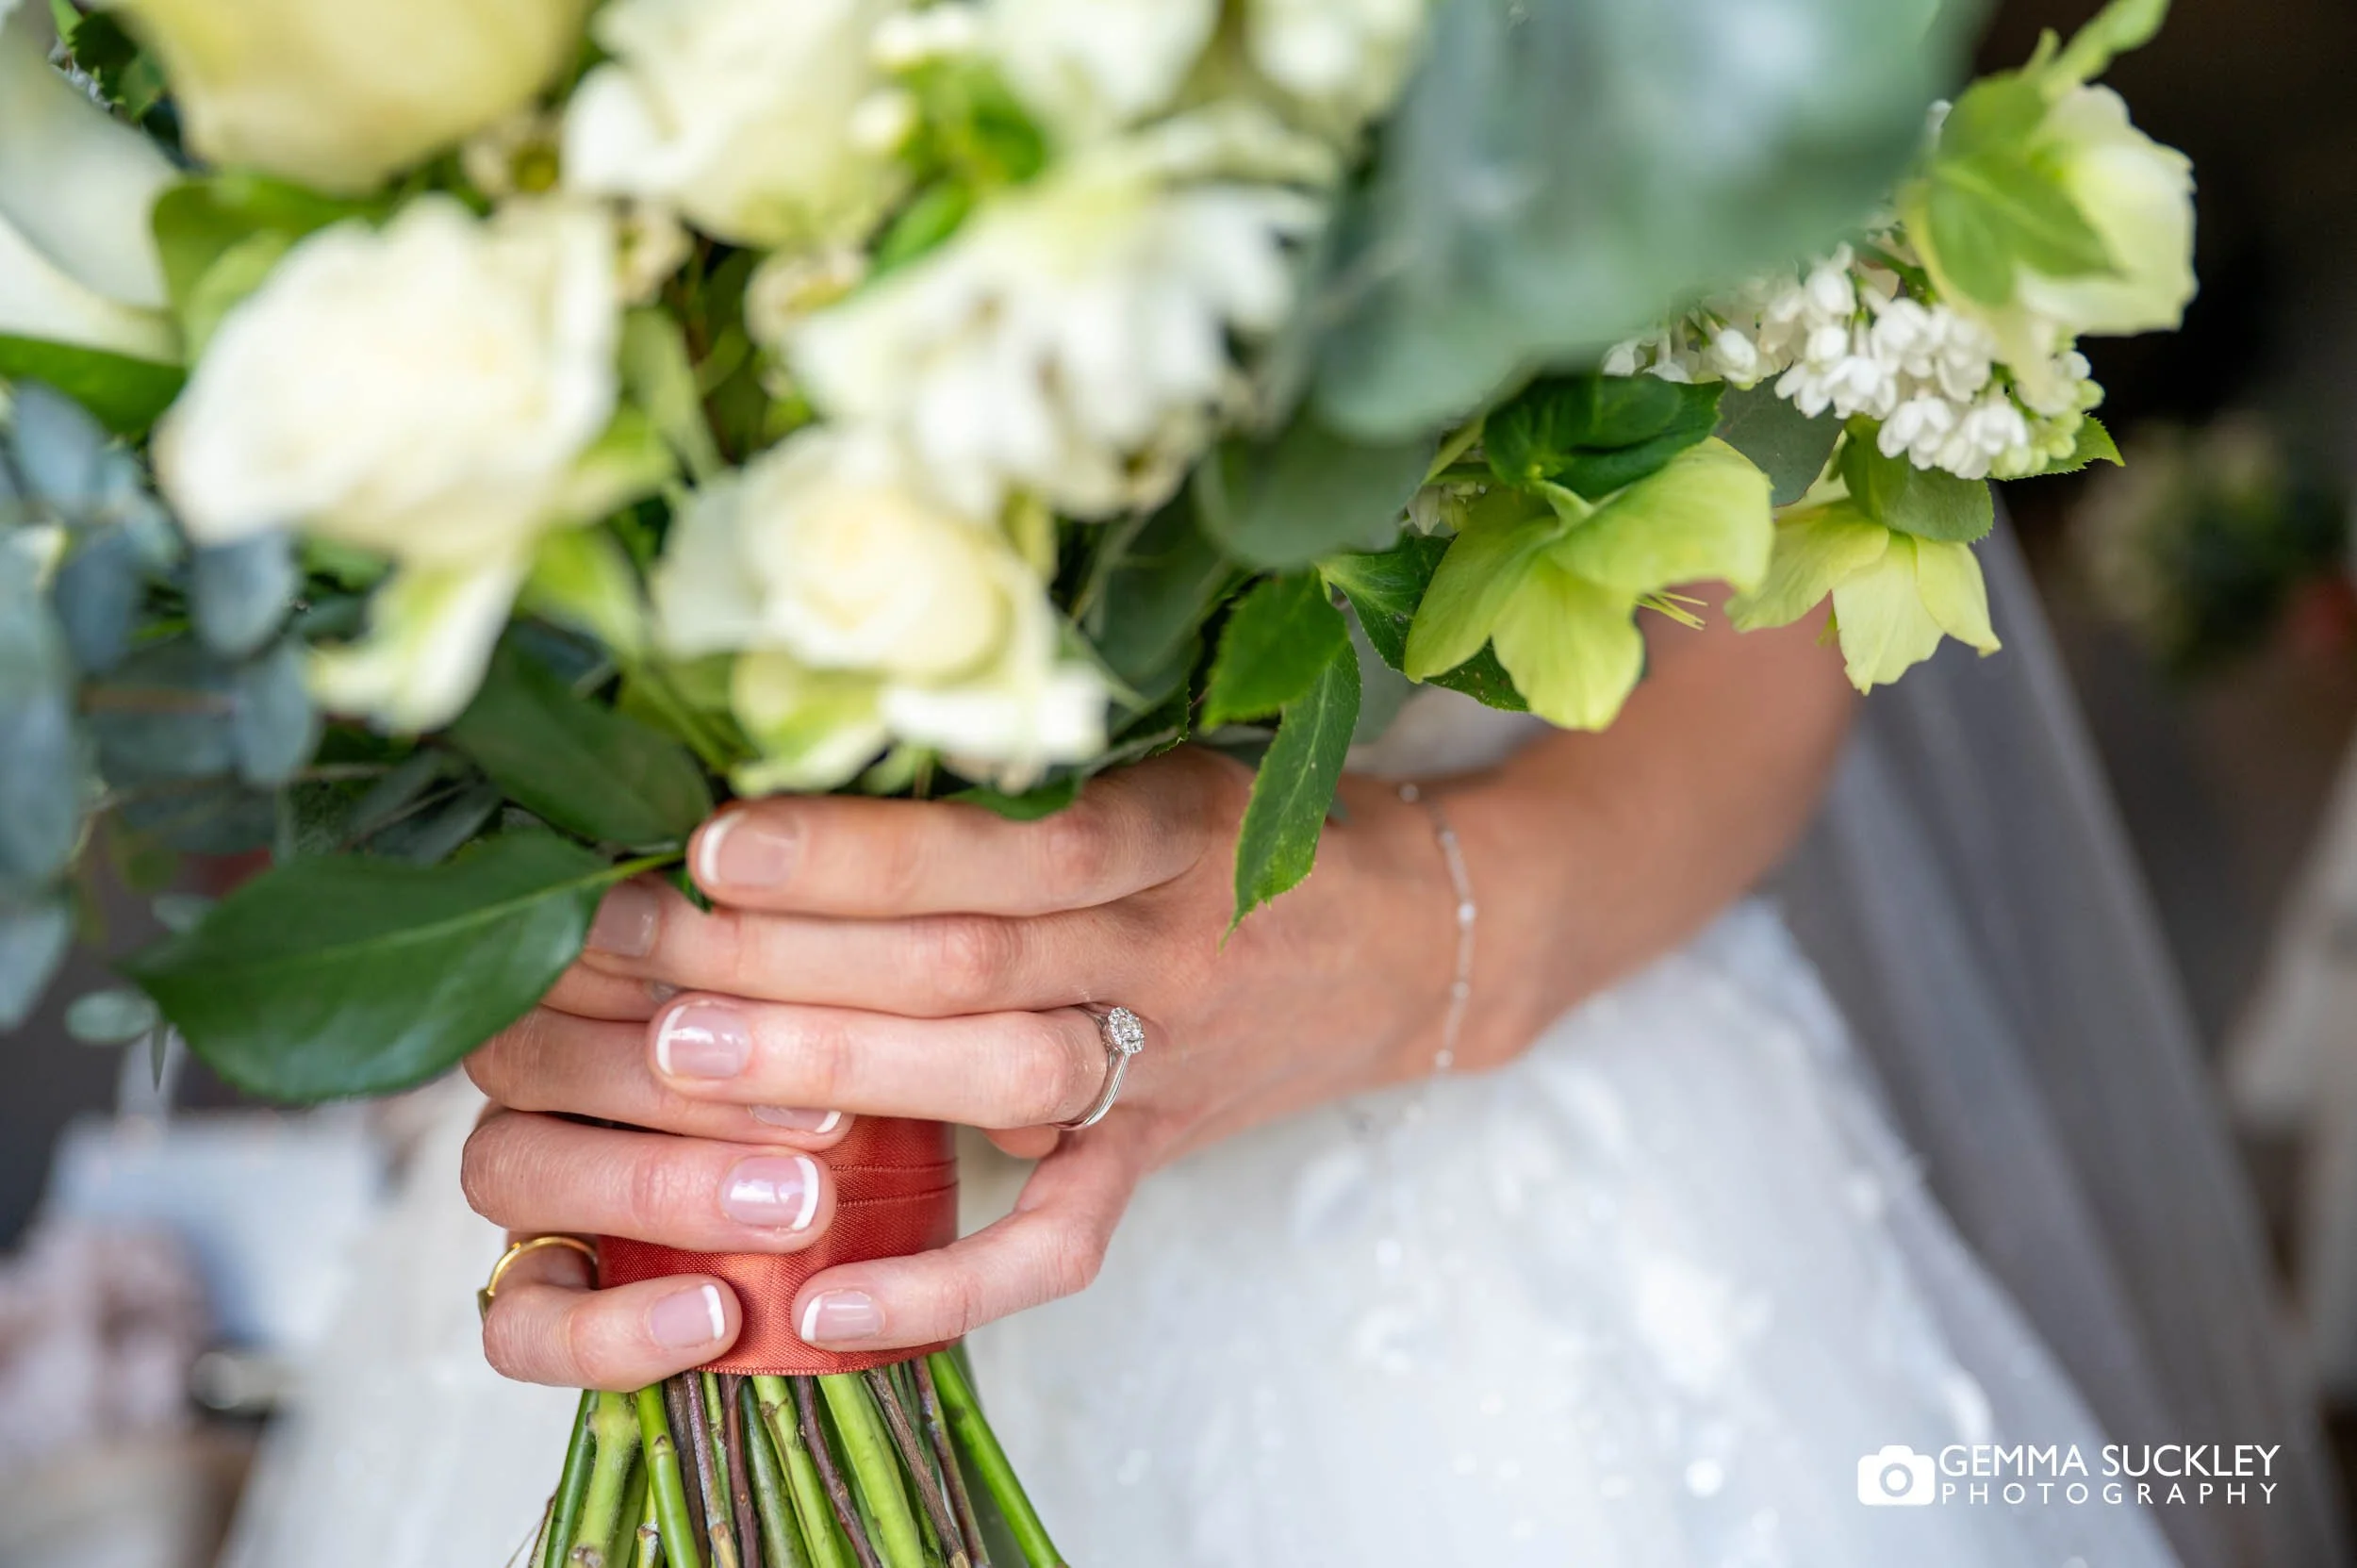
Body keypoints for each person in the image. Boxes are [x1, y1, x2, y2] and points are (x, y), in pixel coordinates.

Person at [442, 555, 2334, 1567]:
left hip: (1491, 1181)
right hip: (681, 1193)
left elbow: (1791, 571)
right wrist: (562, 931)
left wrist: (1449, 935)